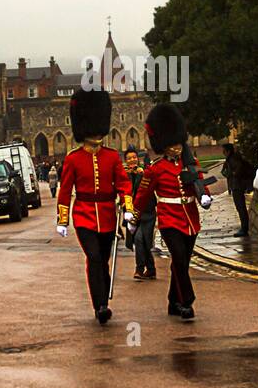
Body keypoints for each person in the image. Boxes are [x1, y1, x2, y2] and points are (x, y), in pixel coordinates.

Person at [55, 90, 134, 324]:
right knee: (94, 257)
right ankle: (100, 305)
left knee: (103, 259)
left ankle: (102, 300)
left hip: (108, 216)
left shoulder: (111, 156)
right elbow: (66, 190)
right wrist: (63, 220)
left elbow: (123, 183)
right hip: (84, 216)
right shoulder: (73, 158)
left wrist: (128, 207)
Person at [134, 103, 212, 320]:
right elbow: (142, 195)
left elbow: (199, 182)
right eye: (172, 145)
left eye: (178, 144)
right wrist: (134, 215)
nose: (177, 148)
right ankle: (186, 301)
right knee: (178, 258)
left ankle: (172, 302)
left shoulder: (190, 162)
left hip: (190, 218)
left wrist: (204, 196)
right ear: (163, 145)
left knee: (182, 262)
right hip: (169, 219)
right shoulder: (156, 169)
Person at [123, 148, 156, 280]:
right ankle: (141, 269)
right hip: (132, 213)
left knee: (145, 241)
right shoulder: (124, 175)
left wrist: (142, 174)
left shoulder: (145, 172)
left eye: (134, 157)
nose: (132, 160)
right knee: (138, 239)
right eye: (129, 158)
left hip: (147, 212)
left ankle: (150, 269)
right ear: (125, 161)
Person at [222, 142, 252, 237]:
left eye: (224, 151)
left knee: (241, 208)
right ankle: (244, 227)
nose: (223, 152)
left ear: (228, 151)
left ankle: (244, 228)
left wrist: (231, 174)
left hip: (237, 186)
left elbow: (237, 171)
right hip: (236, 185)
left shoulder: (233, 159)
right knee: (240, 208)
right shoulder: (231, 159)